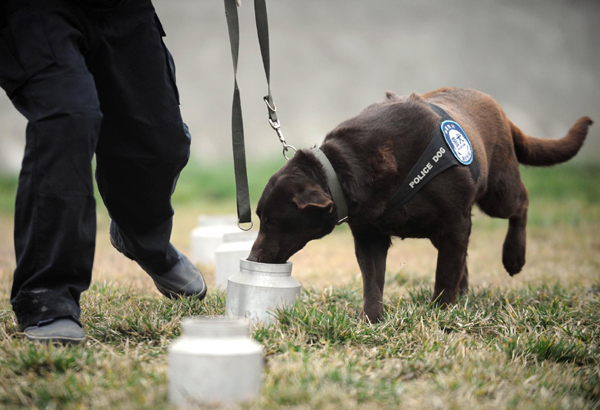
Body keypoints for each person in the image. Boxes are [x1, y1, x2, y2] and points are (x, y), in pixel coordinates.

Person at [0, 0, 207, 345]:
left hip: (122, 7)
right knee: (69, 117)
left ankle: (142, 236)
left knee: (160, 139)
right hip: (31, 9)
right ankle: (47, 296)